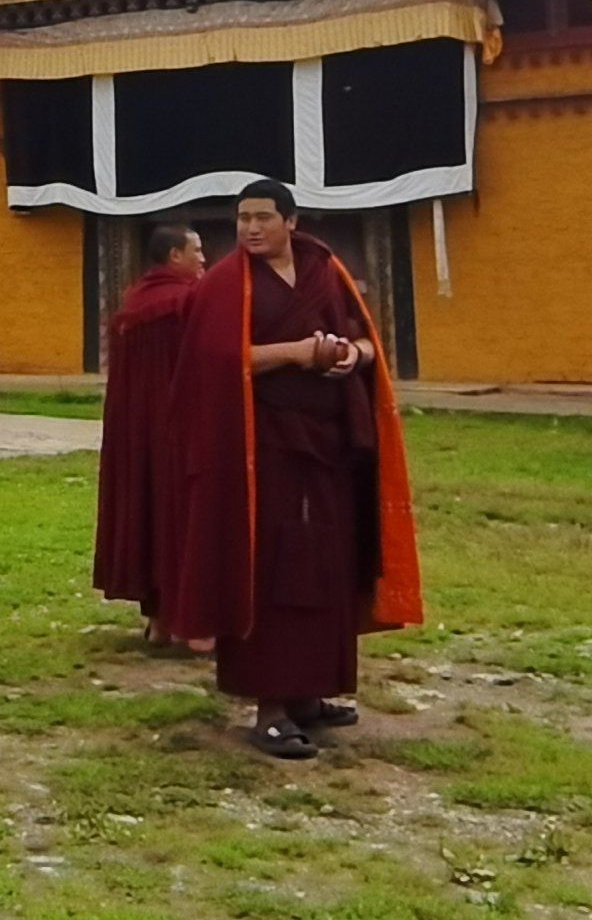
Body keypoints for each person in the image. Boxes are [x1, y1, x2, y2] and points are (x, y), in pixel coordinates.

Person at [165, 182, 423, 760]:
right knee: (272, 571)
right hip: (263, 455)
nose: (250, 229)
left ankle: (310, 693)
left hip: (328, 447)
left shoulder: (322, 269)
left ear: (291, 220)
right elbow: (215, 362)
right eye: (241, 219)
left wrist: (347, 357)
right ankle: (271, 707)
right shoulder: (227, 285)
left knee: (327, 565)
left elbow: (367, 341)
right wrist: (296, 352)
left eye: (262, 218)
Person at [95, 224, 205, 641]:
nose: (203, 259)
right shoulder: (185, 302)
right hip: (178, 429)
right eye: (196, 250)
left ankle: (158, 622)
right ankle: (184, 624)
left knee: (148, 514)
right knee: (179, 517)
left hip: (135, 433)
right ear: (174, 256)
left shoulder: (133, 302)